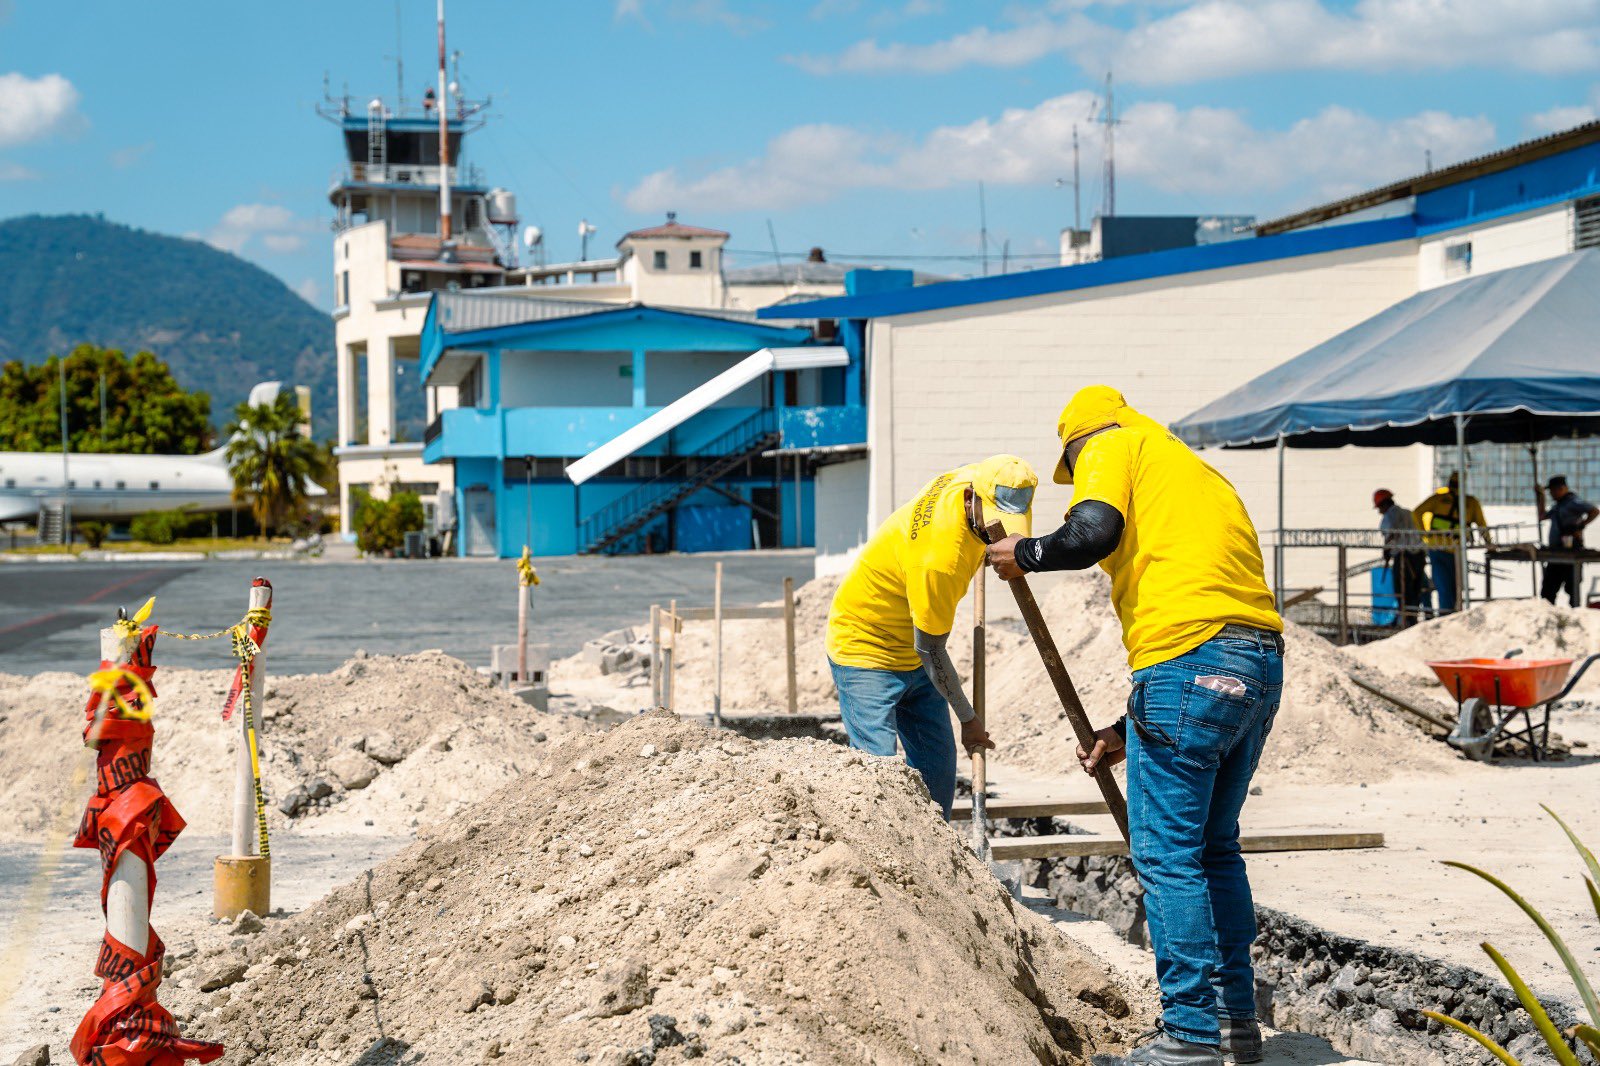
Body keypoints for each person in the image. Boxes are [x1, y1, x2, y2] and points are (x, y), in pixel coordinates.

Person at [988, 386, 1282, 1066]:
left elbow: (1092, 532)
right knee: (1214, 851)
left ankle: (1188, 1038)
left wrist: (1025, 552)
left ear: (1078, 443)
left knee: (1169, 857)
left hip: (1188, 664)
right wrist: (1126, 728)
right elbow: (1213, 611)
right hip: (1257, 667)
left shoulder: (1111, 441)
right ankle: (1236, 1025)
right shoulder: (1196, 473)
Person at [825, 455, 1037, 819]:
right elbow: (931, 650)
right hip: (866, 648)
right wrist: (969, 721)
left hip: (914, 647)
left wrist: (992, 542)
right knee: (879, 776)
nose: (1000, 529)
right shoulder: (940, 560)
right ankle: (883, 860)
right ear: (972, 501)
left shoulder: (975, 479)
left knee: (937, 770)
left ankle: (937, 864)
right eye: (995, 521)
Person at [1412, 472, 1490, 613]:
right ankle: (1449, 618)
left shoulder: (1440, 499)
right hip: (1454, 550)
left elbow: (1417, 512)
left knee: (1446, 588)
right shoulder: (1470, 502)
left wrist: (1425, 535)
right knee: (1453, 589)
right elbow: (1482, 525)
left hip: (1438, 548)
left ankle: (1448, 616)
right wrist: (1490, 545)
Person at [1536, 475, 1597, 607]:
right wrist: (1541, 497)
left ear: (1561, 489)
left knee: (1572, 590)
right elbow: (1542, 516)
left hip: (1571, 552)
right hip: (1556, 553)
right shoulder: (1558, 506)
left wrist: (1580, 526)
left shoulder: (1573, 502)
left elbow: (1594, 511)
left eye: (1552, 491)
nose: (1551, 494)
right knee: (1548, 591)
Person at [1374, 489, 1427, 627]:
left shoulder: (1389, 517)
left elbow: (1391, 535)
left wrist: (1386, 551)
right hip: (1419, 555)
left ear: (1383, 504)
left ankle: (1407, 621)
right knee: (1415, 590)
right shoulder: (1408, 513)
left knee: (1402, 591)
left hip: (1404, 557)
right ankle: (1412, 619)